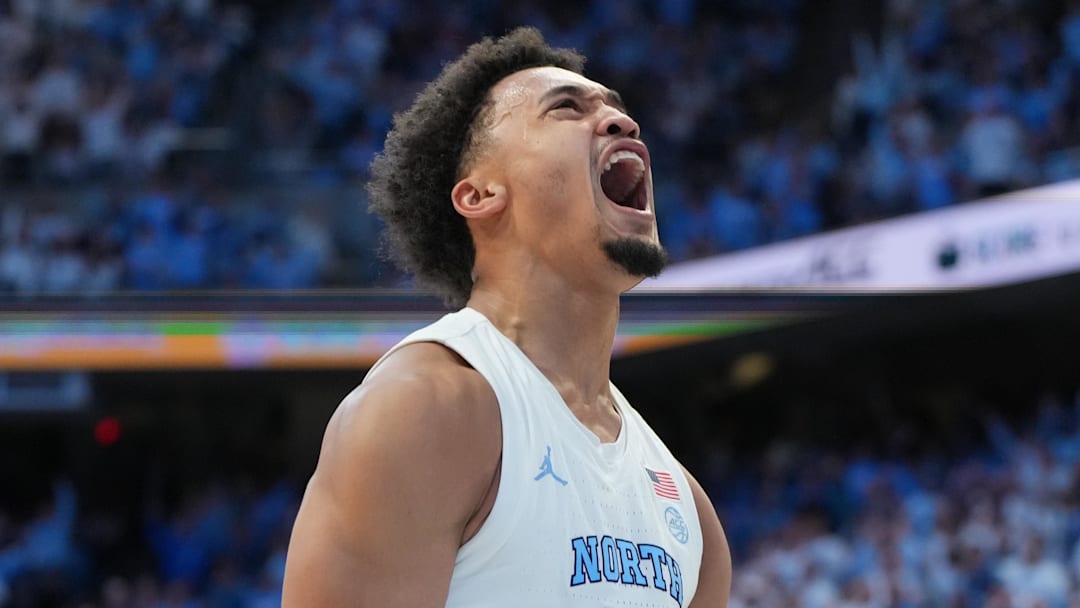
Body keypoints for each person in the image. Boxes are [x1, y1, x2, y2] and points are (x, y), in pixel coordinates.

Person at [282, 27, 731, 607]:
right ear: (480, 195)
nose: (623, 124)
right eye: (566, 108)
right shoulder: (424, 409)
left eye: (619, 111)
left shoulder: (689, 514)